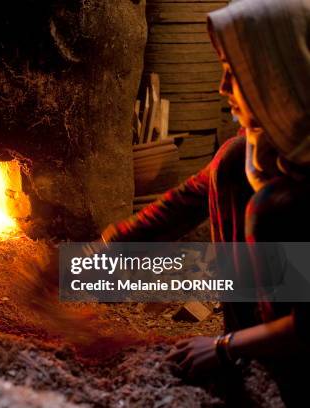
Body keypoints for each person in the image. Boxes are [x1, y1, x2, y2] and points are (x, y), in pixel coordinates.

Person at [100, 0, 310, 405]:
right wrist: (99, 256)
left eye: (238, 75)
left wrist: (224, 347)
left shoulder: (289, 197)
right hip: (271, 334)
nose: (222, 88)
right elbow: (189, 198)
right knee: (228, 162)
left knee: (271, 207)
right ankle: (260, 358)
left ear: (279, 80)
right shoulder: (260, 151)